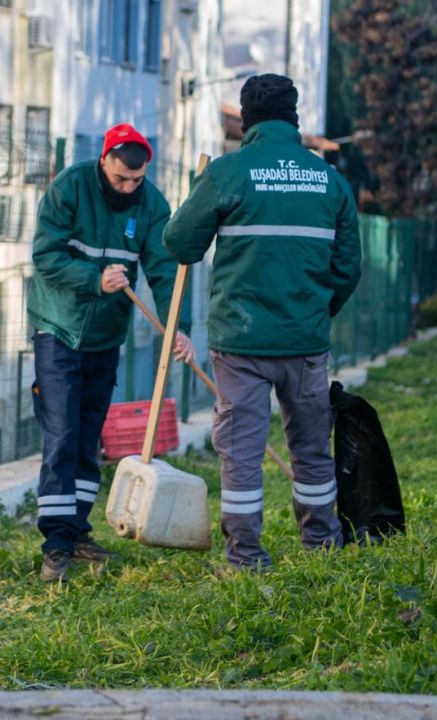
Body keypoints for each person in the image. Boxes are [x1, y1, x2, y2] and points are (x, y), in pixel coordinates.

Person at [162, 74, 362, 571]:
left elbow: (179, 244)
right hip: (305, 340)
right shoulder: (329, 181)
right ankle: (321, 546)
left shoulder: (227, 173)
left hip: (242, 341)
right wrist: (316, 311)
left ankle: (246, 556)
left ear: (247, 121)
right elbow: (348, 268)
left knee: (241, 455)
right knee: (312, 450)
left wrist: (198, 195)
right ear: (294, 119)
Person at [28, 123, 194, 583]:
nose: (128, 188)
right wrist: (93, 279)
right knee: (60, 433)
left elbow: (164, 269)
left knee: (87, 438)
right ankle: (55, 545)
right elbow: (46, 256)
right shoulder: (70, 187)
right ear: (104, 161)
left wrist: (177, 327)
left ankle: (79, 532)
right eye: (121, 179)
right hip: (58, 328)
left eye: (136, 181)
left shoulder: (152, 205)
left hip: (106, 336)